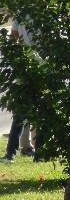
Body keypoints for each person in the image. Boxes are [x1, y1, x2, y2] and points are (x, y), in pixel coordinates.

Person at [1, 19, 40, 163]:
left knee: (20, 114)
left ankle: (11, 153)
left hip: (25, 66)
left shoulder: (20, 14)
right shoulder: (46, 9)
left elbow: (13, 36)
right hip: (43, 66)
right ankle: (39, 156)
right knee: (41, 114)